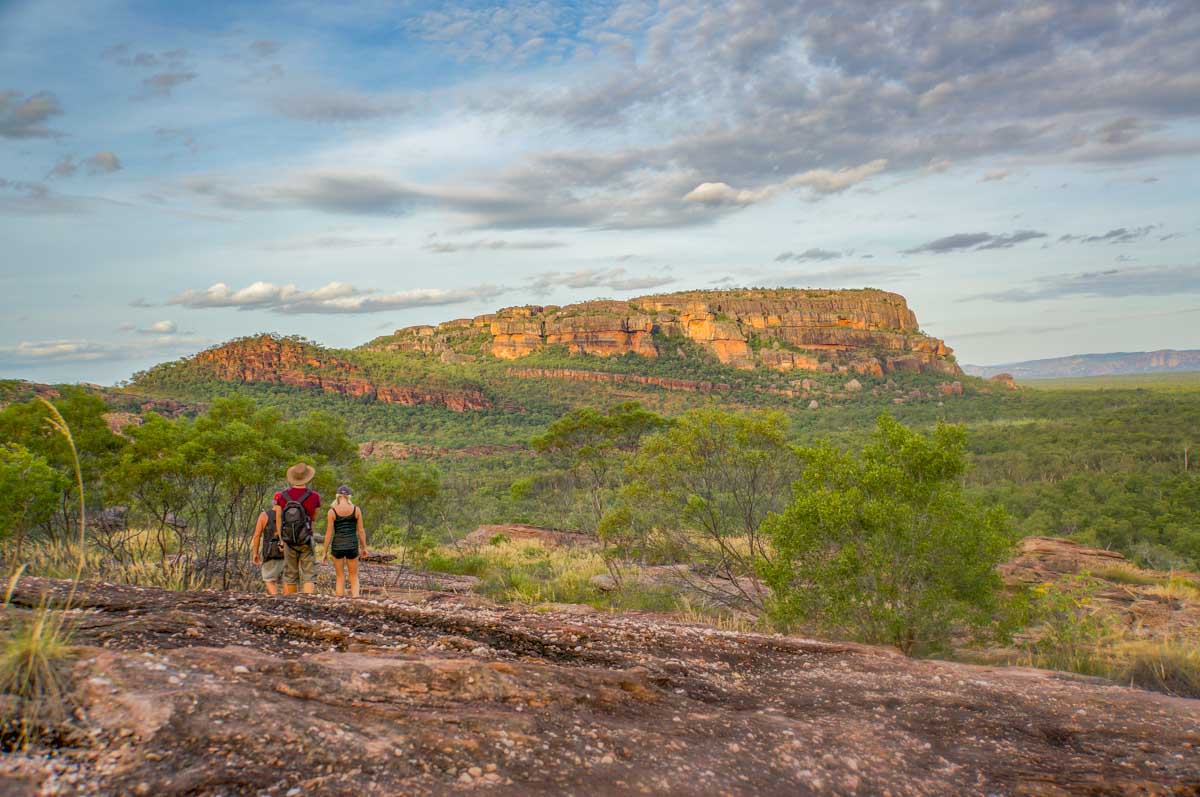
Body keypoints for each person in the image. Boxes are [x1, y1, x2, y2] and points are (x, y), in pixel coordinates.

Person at [275, 462, 322, 595]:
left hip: (288, 539)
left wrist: (281, 539)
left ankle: (291, 604)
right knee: (309, 573)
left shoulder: (282, 497)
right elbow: (313, 517)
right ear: (307, 477)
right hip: (306, 537)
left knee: (290, 573)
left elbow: (279, 519)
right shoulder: (314, 496)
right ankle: (307, 602)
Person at [324, 485, 368, 598]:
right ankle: (356, 599)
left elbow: (328, 533)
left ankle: (339, 601)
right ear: (348, 496)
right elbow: (361, 530)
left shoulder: (332, 511)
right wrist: (364, 547)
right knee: (353, 576)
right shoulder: (356, 510)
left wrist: (324, 552)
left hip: (337, 546)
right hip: (352, 546)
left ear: (338, 496)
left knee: (340, 576)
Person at [249, 505, 284, 594]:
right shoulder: (288, 515)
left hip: (271, 553)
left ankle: (278, 599)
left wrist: (255, 553)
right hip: (288, 552)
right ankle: (287, 600)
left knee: (268, 579)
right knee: (288, 581)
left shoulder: (264, 515)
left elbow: (257, 535)